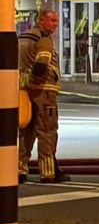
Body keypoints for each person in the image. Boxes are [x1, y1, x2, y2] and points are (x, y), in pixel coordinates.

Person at [18, 10, 68, 184]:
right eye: (52, 20)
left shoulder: (22, 37)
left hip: (23, 92)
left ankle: (19, 170)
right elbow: (41, 64)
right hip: (43, 92)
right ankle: (48, 172)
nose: (55, 24)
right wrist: (35, 82)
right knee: (47, 131)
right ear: (41, 20)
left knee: (26, 132)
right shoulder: (44, 39)